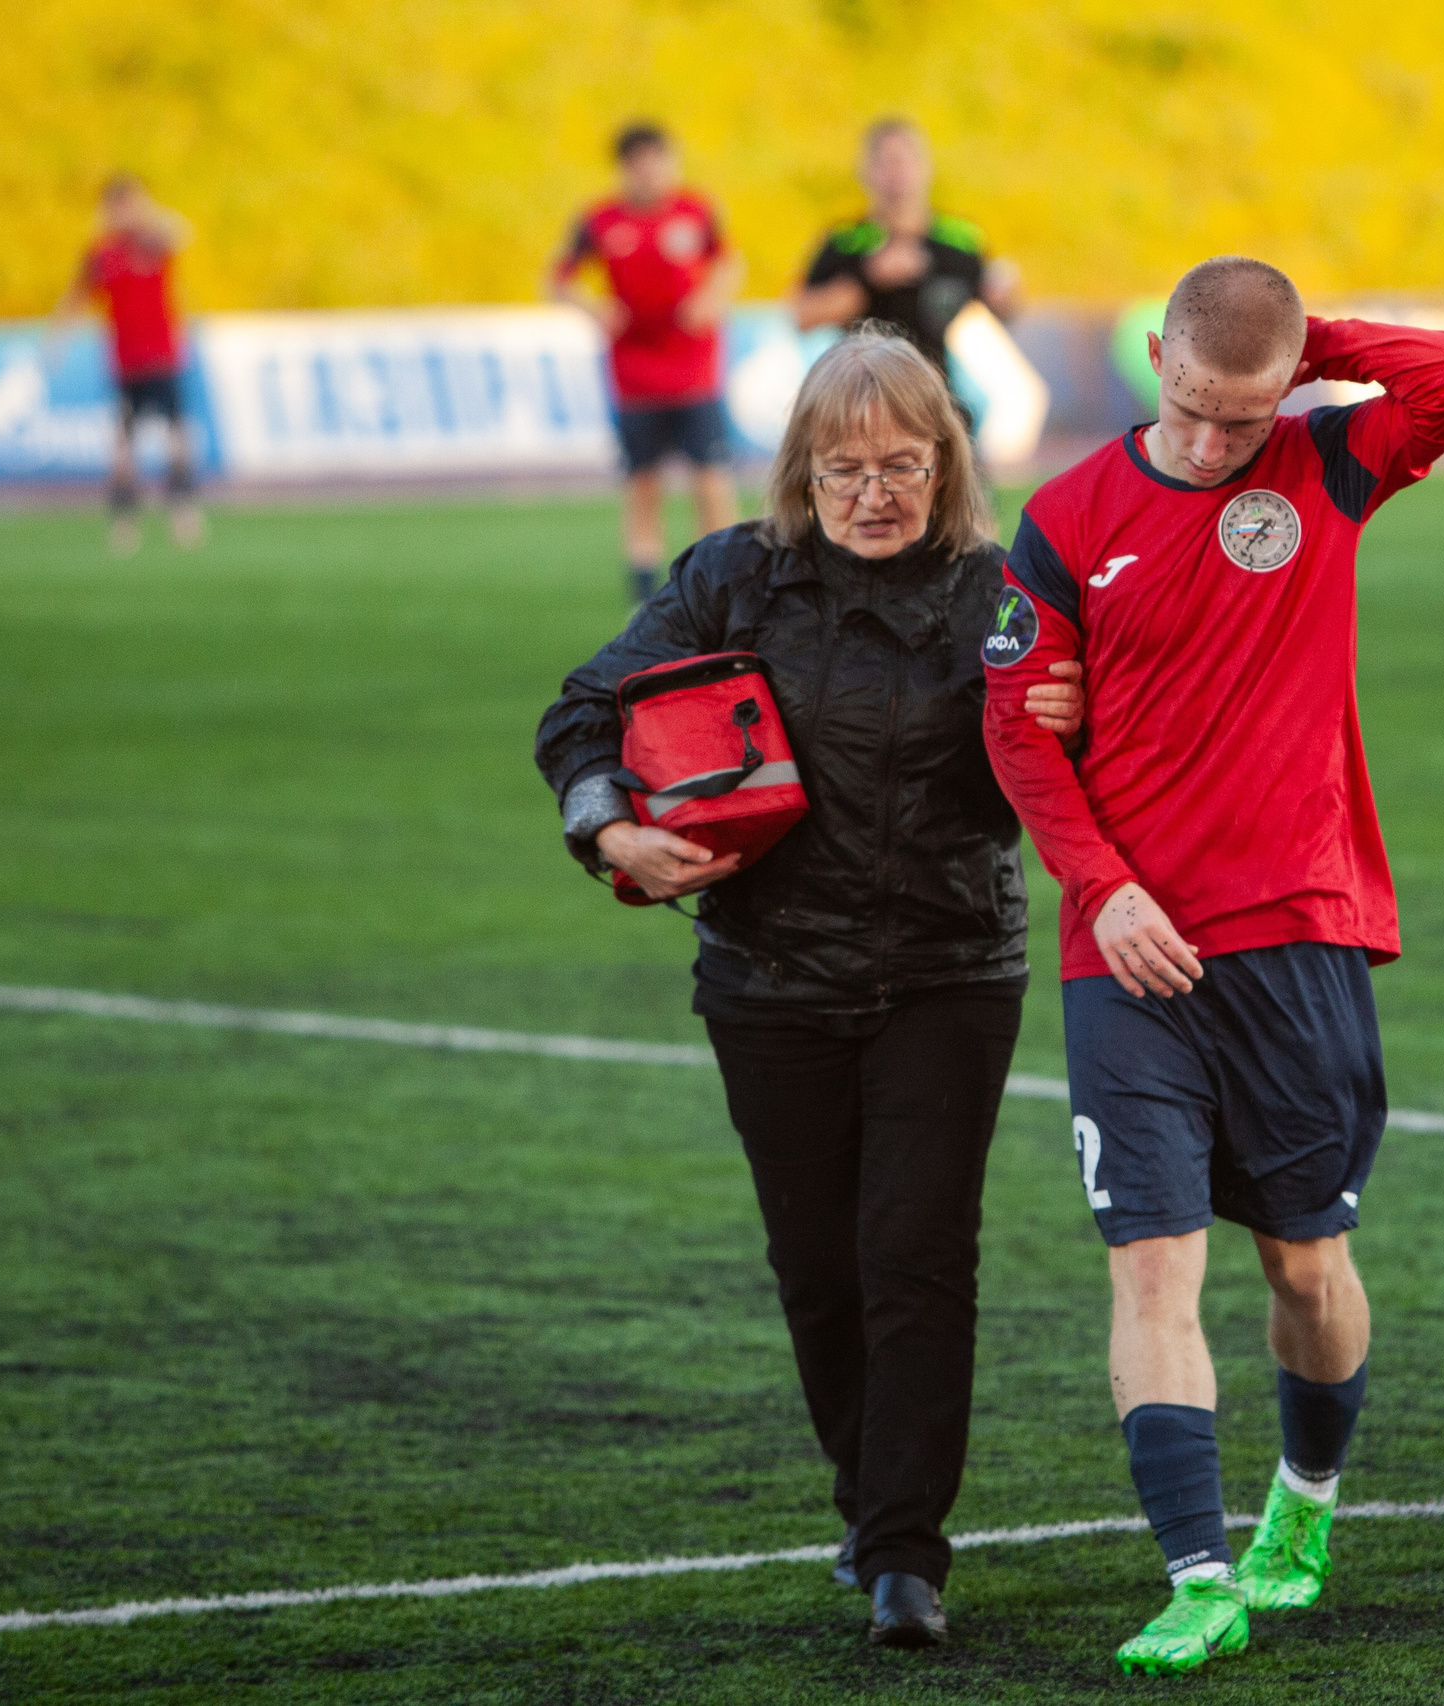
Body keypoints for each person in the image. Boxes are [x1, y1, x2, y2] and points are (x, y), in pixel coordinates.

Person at [981, 258, 1444, 1675]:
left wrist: (1303, 349)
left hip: (1295, 931)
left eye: (1244, 413)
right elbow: (1017, 727)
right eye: (1195, 404)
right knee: (1151, 1265)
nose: (1214, 442)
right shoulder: (1067, 516)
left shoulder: (1324, 463)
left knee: (1305, 1262)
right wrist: (1102, 887)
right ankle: (1197, 1573)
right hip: (1124, 951)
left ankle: (1304, 1508)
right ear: (1154, 355)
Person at [534, 329, 1085, 1647]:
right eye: (845, 469)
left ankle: (904, 1553)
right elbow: (581, 711)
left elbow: (1105, 750)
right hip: (769, 977)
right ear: (801, 470)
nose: (875, 492)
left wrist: (1078, 715)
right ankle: (867, 1496)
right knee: (820, 1268)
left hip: (949, 972)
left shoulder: (1001, 594)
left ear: (947, 464)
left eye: (903, 464)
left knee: (916, 1255)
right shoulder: (732, 576)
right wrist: (611, 829)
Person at [551, 121, 745, 607]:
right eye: (639, 164)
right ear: (624, 169)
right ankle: (643, 591)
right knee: (642, 482)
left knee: (711, 477)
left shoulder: (695, 211)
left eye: (658, 161)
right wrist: (594, 308)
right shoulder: (600, 220)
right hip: (635, 374)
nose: (650, 173)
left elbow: (729, 263)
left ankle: (722, 578)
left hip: (694, 372)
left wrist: (711, 299)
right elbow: (558, 279)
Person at [793, 117, 1023, 397]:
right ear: (866, 172)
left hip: (934, 393)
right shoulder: (846, 240)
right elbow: (802, 315)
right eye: (886, 162)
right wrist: (869, 279)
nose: (896, 173)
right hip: (864, 395)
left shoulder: (959, 239)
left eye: (904, 160)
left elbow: (1001, 304)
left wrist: (1004, 295)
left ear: (925, 167)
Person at [53, 174, 200, 557]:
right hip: (126, 363)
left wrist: (145, 215)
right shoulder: (102, 255)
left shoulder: (154, 241)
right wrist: (56, 340)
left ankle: (183, 511)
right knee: (123, 448)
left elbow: (182, 232)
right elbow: (76, 296)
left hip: (163, 357)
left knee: (177, 439)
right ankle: (124, 520)